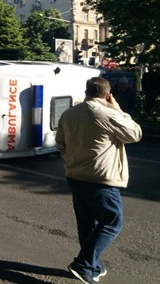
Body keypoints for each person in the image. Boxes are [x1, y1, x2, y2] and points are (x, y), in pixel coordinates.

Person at [56, 76, 142, 284]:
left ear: (86, 91)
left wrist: (72, 161)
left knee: (86, 223)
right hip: (100, 179)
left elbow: (60, 144)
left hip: (75, 176)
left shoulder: (69, 113)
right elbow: (135, 134)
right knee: (112, 221)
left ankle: (93, 265)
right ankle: (84, 264)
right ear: (107, 94)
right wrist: (118, 109)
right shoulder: (107, 113)